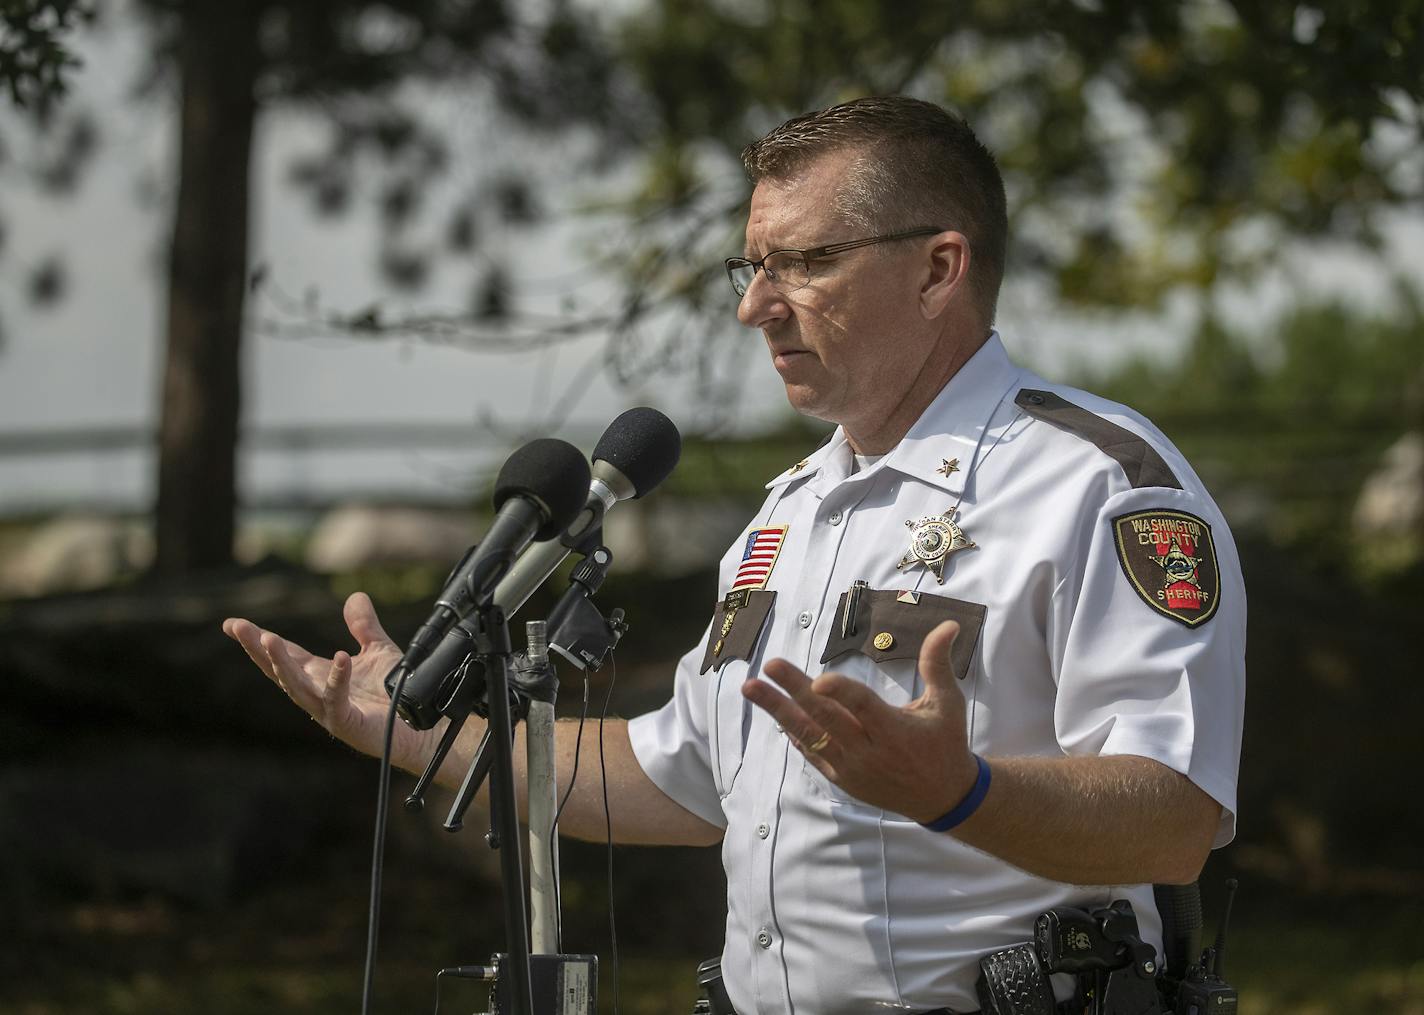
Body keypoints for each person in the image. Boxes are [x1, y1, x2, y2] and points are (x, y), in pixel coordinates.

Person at [224, 96, 1245, 1015]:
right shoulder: (787, 516)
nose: (755, 304)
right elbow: (684, 776)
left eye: (805, 262)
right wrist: (415, 732)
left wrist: (959, 791)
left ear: (938, 268)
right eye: (752, 265)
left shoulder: (1097, 485)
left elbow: (1173, 817)